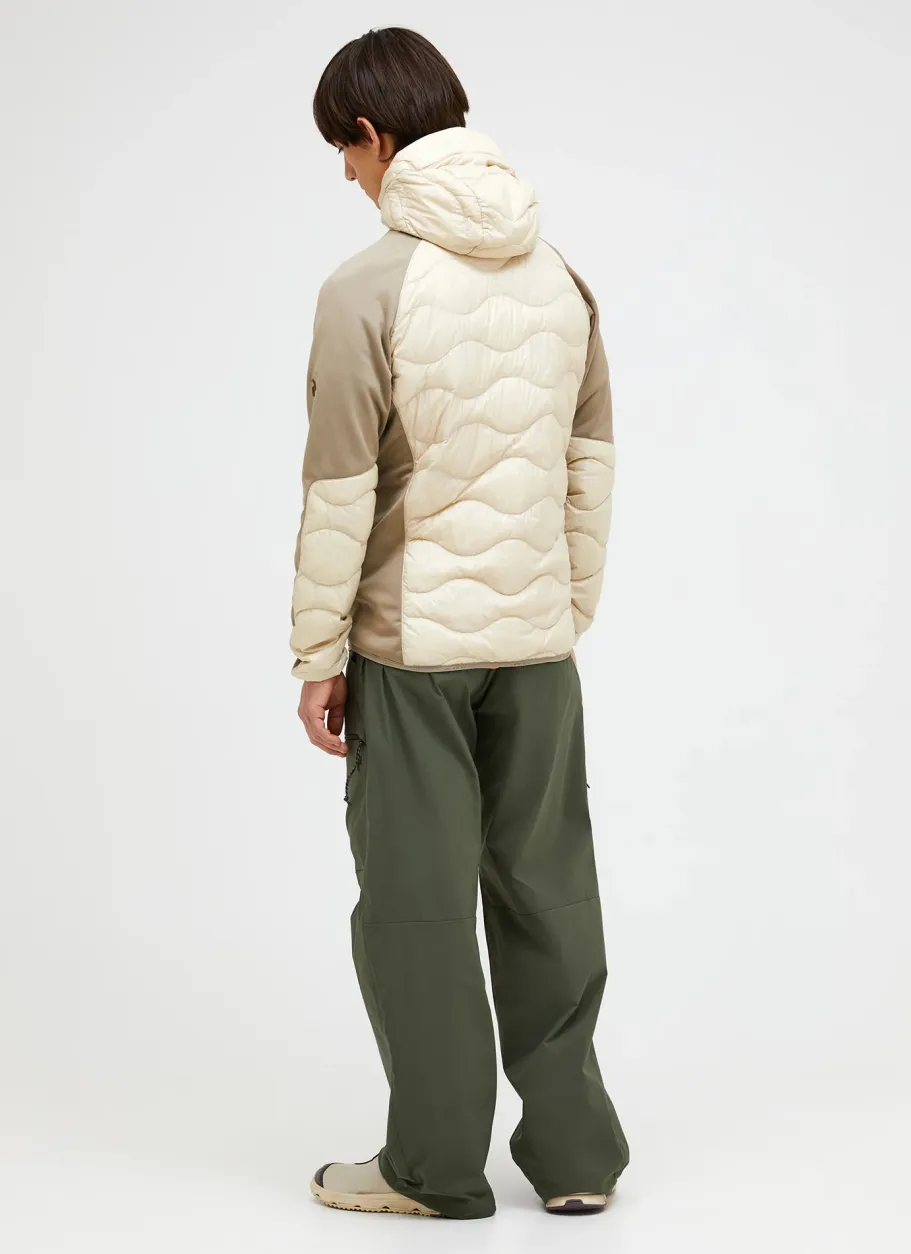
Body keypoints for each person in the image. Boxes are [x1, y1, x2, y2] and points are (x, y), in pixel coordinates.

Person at [290, 26, 629, 1222]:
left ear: (373, 134)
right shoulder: (562, 279)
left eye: (344, 150)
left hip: (411, 653)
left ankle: (433, 1169)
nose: (346, 174)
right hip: (537, 646)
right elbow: (589, 464)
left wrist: (317, 654)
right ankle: (577, 1156)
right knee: (550, 889)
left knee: (416, 906)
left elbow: (340, 492)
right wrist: (560, 610)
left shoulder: (363, 289)